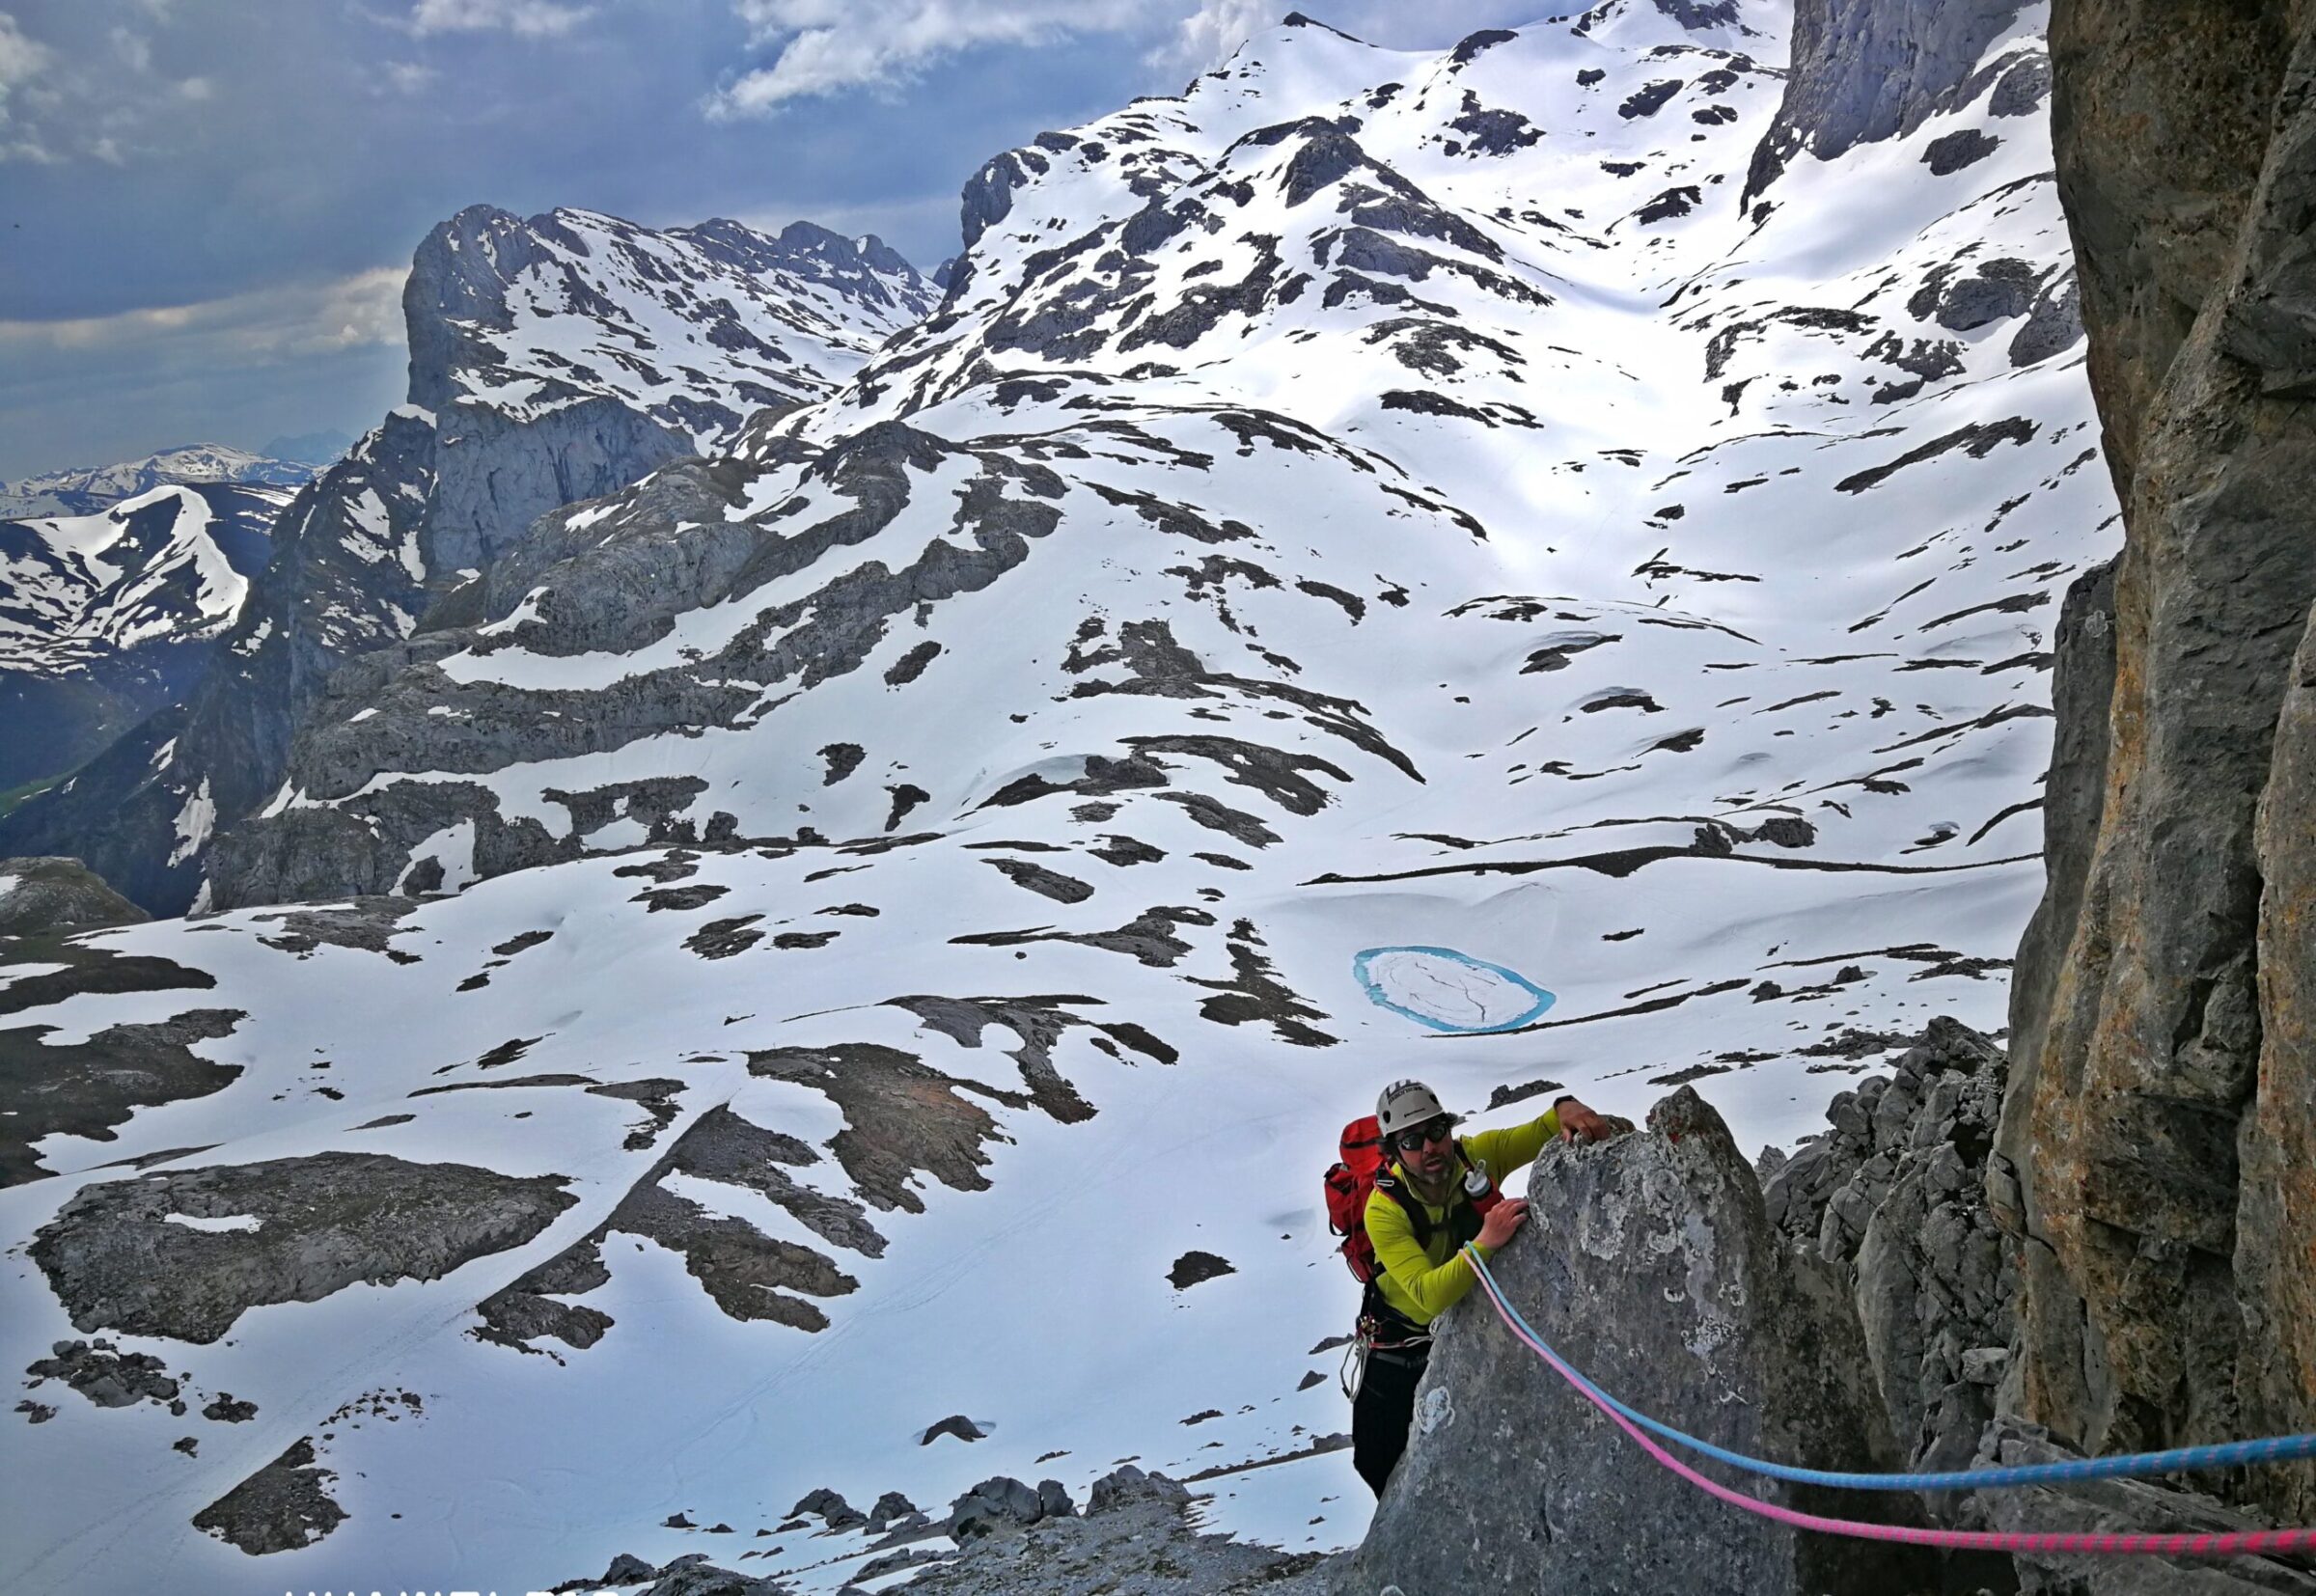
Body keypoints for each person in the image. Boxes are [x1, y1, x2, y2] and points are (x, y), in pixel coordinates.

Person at [1350, 1077, 1613, 1496]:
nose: (1430, 1148)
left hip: (1472, 1320)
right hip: (1400, 1342)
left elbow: (1541, 1128)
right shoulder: (1383, 1209)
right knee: (1376, 1457)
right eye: (1412, 1141)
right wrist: (1485, 1242)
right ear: (1394, 1151)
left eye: (1437, 1131)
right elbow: (1427, 1298)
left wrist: (1566, 1104)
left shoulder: (1476, 1156)